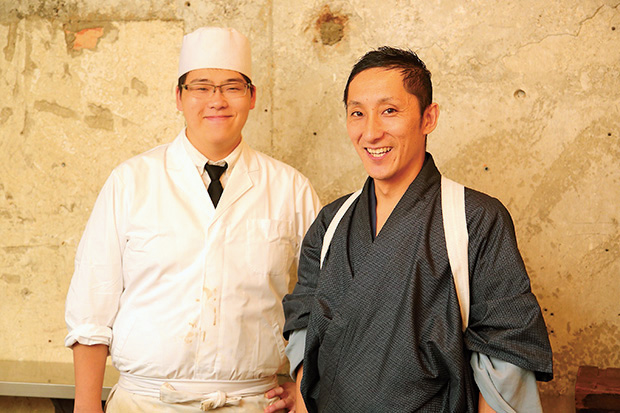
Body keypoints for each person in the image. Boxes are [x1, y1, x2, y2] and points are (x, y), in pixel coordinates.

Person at [282, 47, 553, 412]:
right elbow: (304, 328)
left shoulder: (475, 219)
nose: (371, 132)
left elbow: (507, 351)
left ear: (429, 117)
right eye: (357, 113)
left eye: (389, 111)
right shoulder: (331, 222)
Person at [65, 27, 321, 413]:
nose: (216, 100)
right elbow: (91, 303)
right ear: (179, 97)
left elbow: (324, 300)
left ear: (252, 96)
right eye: (201, 87)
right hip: (144, 402)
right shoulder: (131, 181)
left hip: (253, 401)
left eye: (232, 87)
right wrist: (86, 405)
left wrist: (303, 389)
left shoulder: (291, 188)